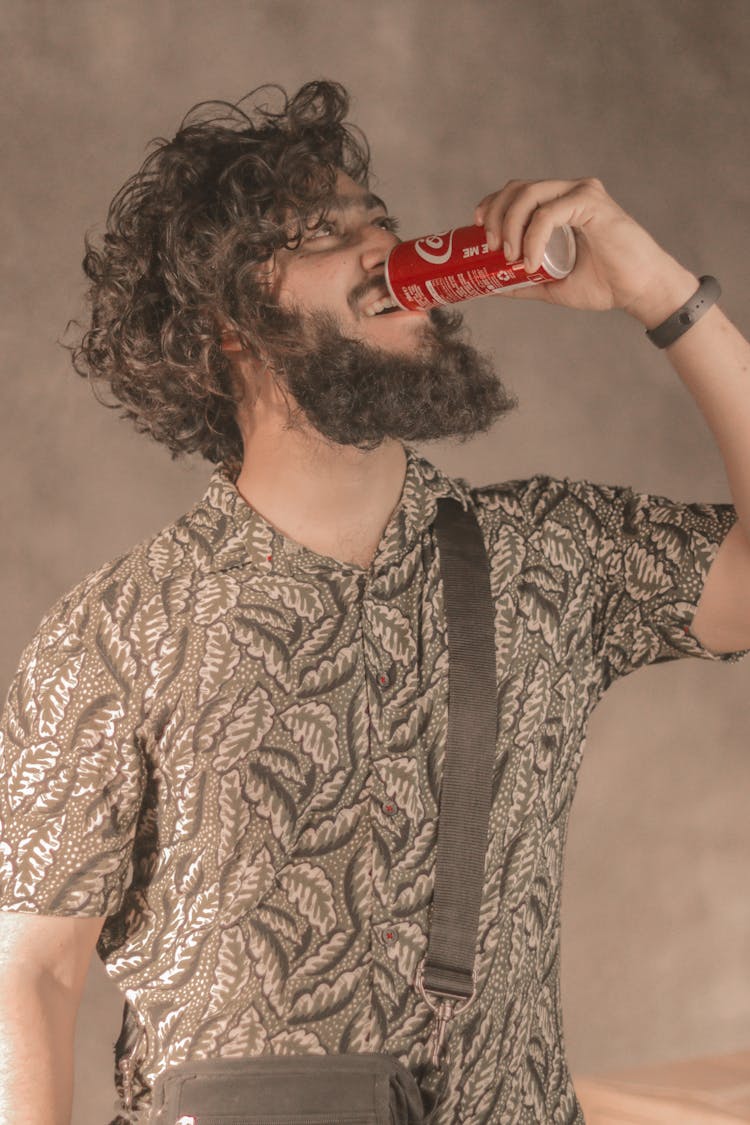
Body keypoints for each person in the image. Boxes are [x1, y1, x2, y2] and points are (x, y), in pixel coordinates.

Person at [0, 78, 748, 1125]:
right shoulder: (117, 631)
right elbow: (31, 978)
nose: (385, 254)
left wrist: (661, 291)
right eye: (321, 234)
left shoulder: (551, 556)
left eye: (381, 226)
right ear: (227, 324)